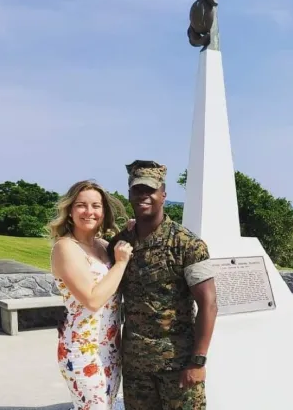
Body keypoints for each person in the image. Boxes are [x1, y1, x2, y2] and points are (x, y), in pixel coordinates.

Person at [108, 160, 218, 410]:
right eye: (137, 190)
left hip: (178, 365)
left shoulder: (188, 244)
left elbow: (209, 304)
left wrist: (198, 361)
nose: (143, 195)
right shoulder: (120, 242)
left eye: (151, 190)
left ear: (163, 195)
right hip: (136, 366)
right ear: (129, 194)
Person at [49, 180, 133, 410]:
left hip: (110, 348)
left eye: (96, 206)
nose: (89, 212)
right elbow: (93, 300)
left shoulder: (104, 246)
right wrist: (121, 262)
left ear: (103, 211)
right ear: (70, 210)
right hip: (82, 350)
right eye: (81, 205)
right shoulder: (65, 247)